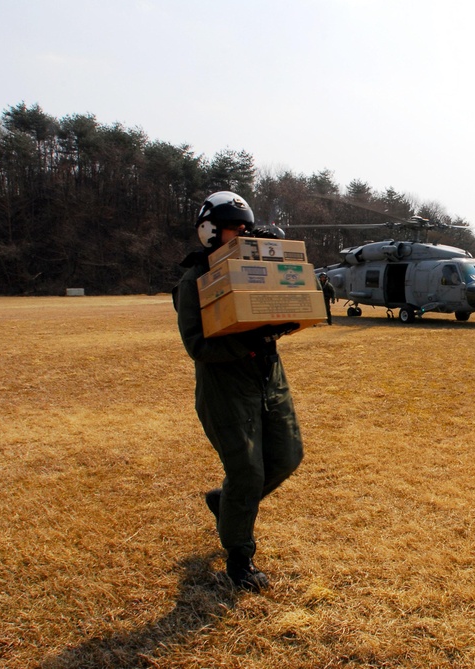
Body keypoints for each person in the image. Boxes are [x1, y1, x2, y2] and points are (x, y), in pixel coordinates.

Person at [172, 191, 304, 592]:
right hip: (225, 388)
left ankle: (224, 503)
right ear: (210, 231)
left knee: (286, 456)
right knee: (247, 472)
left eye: (247, 228)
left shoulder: (250, 266)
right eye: (234, 227)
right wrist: (251, 341)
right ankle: (239, 559)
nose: (242, 234)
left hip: (268, 378)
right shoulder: (193, 281)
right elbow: (198, 346)